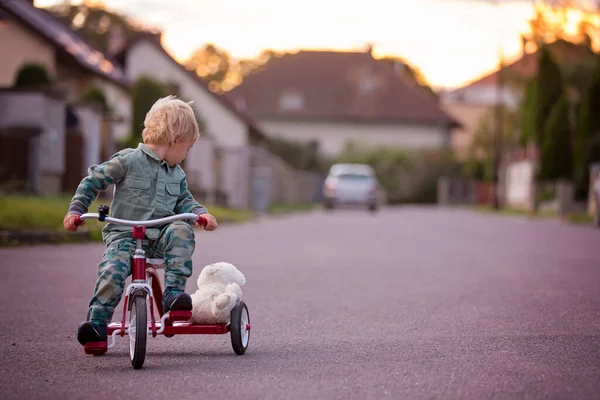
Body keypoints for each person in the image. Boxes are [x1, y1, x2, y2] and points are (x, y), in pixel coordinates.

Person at [63, 96, 218, 346]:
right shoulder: (128, 160)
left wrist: (200, 213)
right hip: (125, 237)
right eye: (187, 149)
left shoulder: (176, 174)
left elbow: (184, 200)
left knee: (180, 228)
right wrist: (77, 209)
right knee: (112, 271)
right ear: (175, 140)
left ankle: (174, 294)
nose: (185, 155)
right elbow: (94, 180)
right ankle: (98, 322)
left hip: (160, 238)